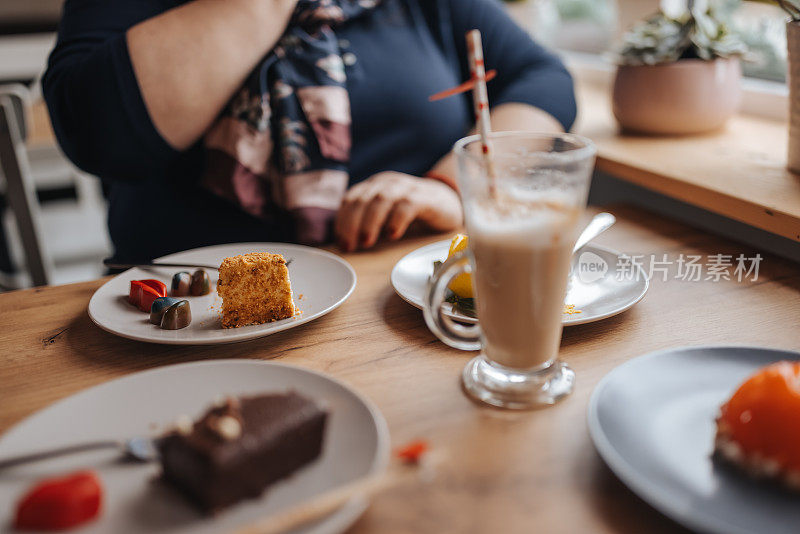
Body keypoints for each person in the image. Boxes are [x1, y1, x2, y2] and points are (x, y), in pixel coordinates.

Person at [43, 0, 576, 261]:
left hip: (408, 299)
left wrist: (453, 186)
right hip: (190, 319)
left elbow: (543, 79)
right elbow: (95, 132)